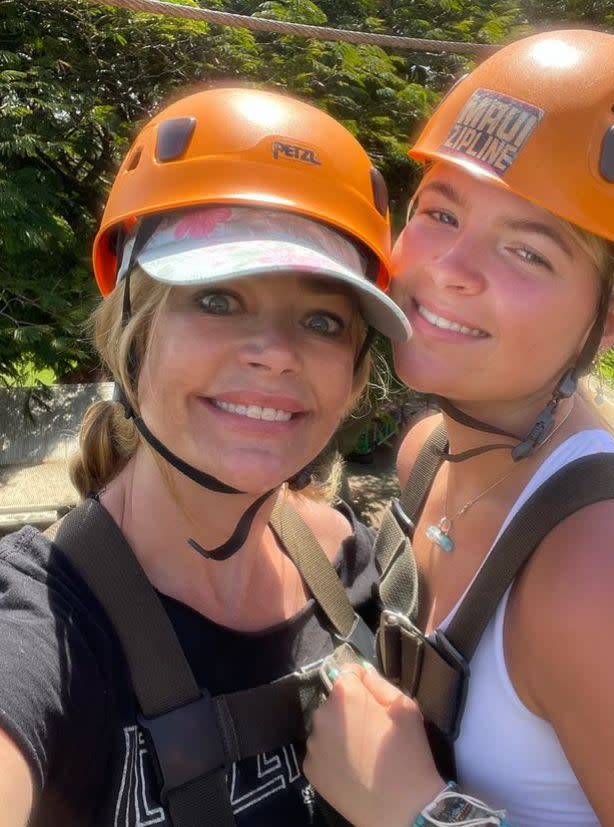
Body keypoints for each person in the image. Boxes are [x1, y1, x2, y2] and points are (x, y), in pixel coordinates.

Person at [0, 85, 411, 826]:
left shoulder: (349, 564)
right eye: (218, 299)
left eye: (322, 319)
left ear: (353, 374)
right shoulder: (41, 630)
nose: (276, 355)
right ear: (132, 328)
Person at [305, 29, 614, 827]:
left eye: (528, 253)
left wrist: (416, 811)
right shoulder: (428, 452)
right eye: (440, 212)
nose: (449, 267)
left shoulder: (606, 565)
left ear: (611, 321)